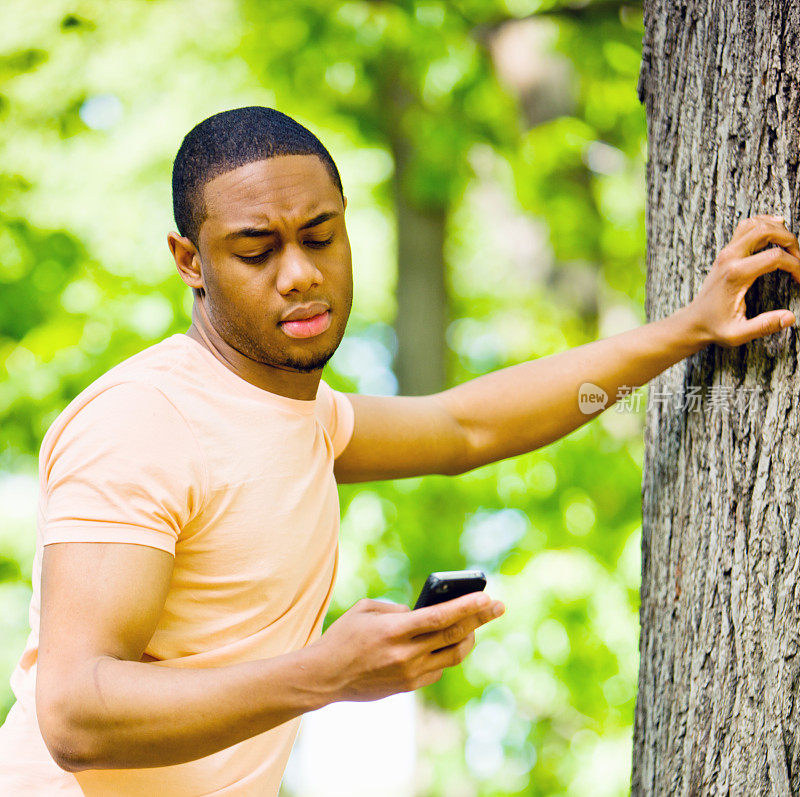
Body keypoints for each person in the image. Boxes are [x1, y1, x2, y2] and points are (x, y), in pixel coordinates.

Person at [0, 106, 798, 796]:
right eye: (257, 250)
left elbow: (467, 428)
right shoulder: (142, 422)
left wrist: (687, 330)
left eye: (321, 236)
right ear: (189, 262)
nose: (300, 275)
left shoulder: (305, 416)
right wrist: (328, 672)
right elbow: (74, 712)